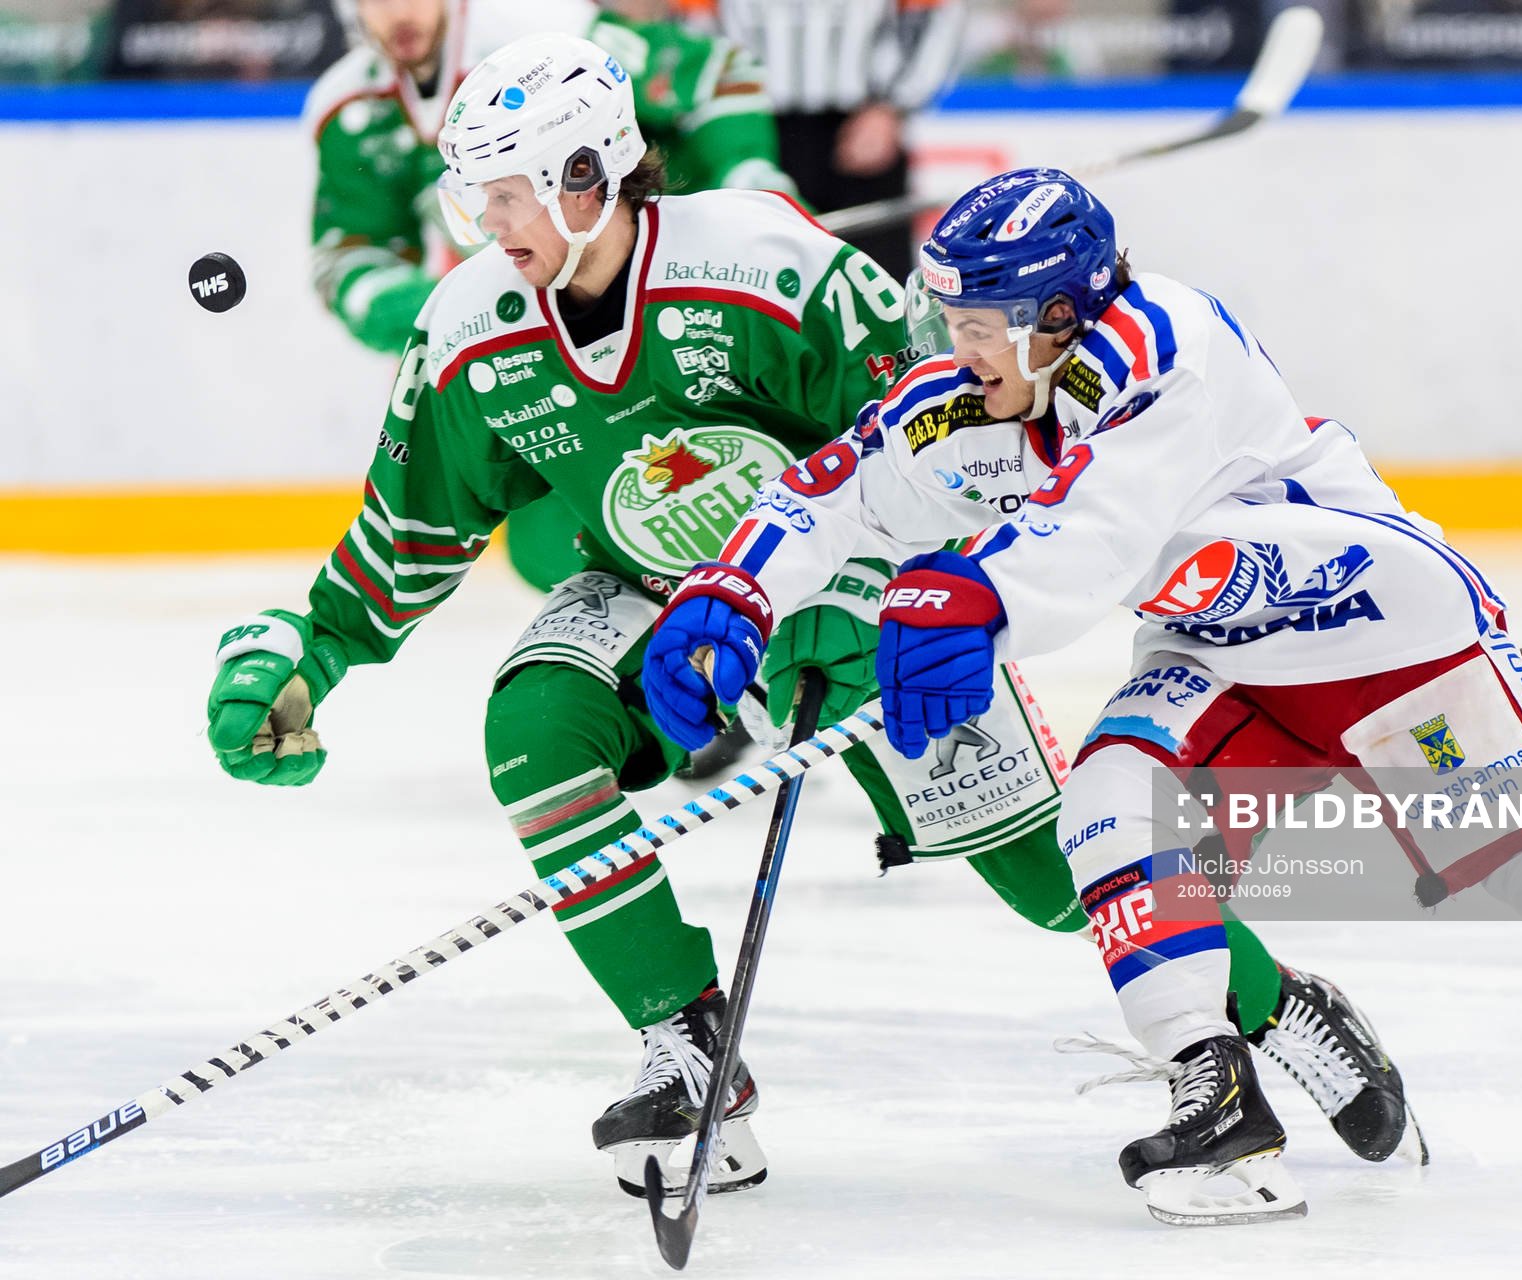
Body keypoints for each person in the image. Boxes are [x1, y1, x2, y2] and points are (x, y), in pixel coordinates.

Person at [639, 167, 1522, 1222]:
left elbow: (1098, 538)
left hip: (1385, 635)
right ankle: (1216, 1097)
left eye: (979, 326)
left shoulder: (1168, 349)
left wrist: (967, 595)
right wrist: (736, 592)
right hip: (1222, 654)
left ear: (1060, 315)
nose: (952, 352)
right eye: (949, 322)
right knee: (1108, 811)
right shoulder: (973, 393)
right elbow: (836, 487)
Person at [207, 33, 1085, 1200]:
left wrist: (906, 592)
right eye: (474, 194)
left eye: (508, 193)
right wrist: (315, 650)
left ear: (588, 176)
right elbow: (411, 530)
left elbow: (955, 441)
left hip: (851, 583)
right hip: (655, 590)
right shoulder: (474, 327)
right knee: (538, 725)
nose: (484, 224)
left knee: (1058, 883)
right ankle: (688, 1043)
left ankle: (1267, 1011)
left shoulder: (770, 264)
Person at [309, 0, 793, 594]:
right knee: (552, 549)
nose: (396, 13)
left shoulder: (546, 39)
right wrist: (448, 314)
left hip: (680, 308)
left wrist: (748, 175)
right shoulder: (352, 111)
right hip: (550, 335)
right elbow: (350, 254)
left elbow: (716, 71)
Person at [690, 0, 969, 282]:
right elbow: (694, 20)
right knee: (759, 272)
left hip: (861, 120)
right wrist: (717, 109)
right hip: (752, 120)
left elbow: (939, 15)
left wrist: (891, 108)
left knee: (874, 277)